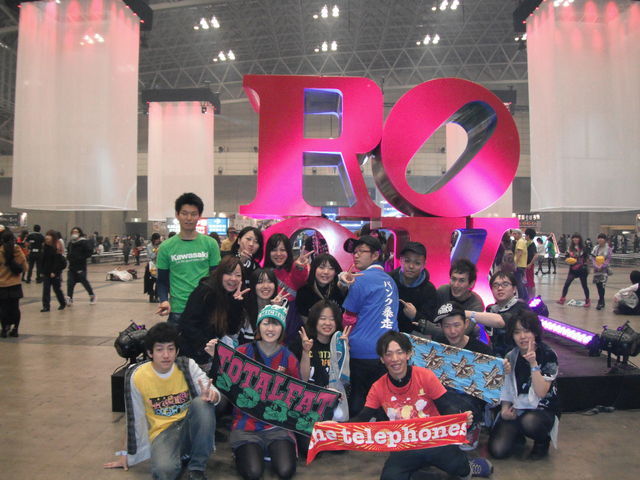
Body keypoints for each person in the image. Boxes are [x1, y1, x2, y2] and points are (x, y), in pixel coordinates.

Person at [332, 331, 492, 479]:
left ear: (408, 354)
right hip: (404, 447)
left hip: (435, 441)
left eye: (399, 352)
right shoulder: (378, 387)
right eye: (388, 354)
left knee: (461, 470)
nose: (395, 359)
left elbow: (446, 406)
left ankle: (467, 465)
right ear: (382, 359)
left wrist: (460, 417)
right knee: (389, 477)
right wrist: (335, 428)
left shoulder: (425, 376)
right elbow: (362, 418)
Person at [104, 322, 219, 480]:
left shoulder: (187, 365)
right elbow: (134, 417)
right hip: (163, 433)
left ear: (177, 351)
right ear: (150, 352)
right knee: (164, 472)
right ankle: (182, 454)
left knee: (203, 403)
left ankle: (197, 469)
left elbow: (212, 391)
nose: (166, 355)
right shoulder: (137, 376)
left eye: (170, 349)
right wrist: (126, 453)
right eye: (159, 349)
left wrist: (213, 396)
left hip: (188, 425)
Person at [206, 305, 299, 480]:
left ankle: (269, 450)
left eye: (276, 324)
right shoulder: (242, 352)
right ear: (258, 326)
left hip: (276, 426)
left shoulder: (289, 358)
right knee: (253, 473)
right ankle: (247, 451)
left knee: (286, 471)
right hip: (246, 426)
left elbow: (299, 396)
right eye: (266, 323)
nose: (270, 328)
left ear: (282, 329)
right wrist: (216, 358)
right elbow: (226, 383)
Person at [338, 234, 399, 414]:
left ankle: (356, 431)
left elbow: (349, 317)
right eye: (355, 252)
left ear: (375, 255)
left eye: (361, 252)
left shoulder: (360, 279)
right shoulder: (391, 281)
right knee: (384, 403)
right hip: (387, 350)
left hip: (361, 350)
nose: (356, 256)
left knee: (358, 399)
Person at [488, 311, 560, 461]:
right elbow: (507, 388)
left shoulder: (548, 354)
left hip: (541, 408)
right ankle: (517, 434)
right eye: (517, 332)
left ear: (535, 332)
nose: (522, 336)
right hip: (517, 408)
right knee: (498, 450)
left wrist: (533, 364)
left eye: (527, 331)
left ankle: (542, 441)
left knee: (529, 422)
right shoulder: (511, 355)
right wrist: (504, 409)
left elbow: (541, 392)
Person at [290, 299, 351, 455]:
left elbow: (344, 382)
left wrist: (345, 352)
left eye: (332, 319)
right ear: (315, 320)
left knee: (340, 449)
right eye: (323, 318)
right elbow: (302, 379)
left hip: (331, 405)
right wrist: (306, 352)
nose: (327, 323)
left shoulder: (339, 344)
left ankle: (325, 430)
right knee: (309, 450)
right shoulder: (302, 342)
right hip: (305, 405)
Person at [434, 302, 494, 450]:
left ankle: (472, 427)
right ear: (441, 327)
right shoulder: (435, 347)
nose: (452, 331)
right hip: (443, 397)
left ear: (466, 324)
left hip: (470, 402)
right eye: (447, 326)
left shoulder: (481, 350)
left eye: (456, 325)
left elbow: (490, 388)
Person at [157, 193, 222, 325]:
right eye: (184, 213)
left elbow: (216, 277)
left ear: (199, 216)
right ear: (177, 215)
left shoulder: (210, 244)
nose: (189, 218)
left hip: (204, 309)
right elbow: (162, 280)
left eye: (193, 214)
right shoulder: (166, 247)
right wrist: (164, 300)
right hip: (178, 311)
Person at [178, 256, 248, 367]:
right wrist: (206, 348)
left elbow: (231, 329)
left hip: (210, 354)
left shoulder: (233, 295)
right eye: (228, 273)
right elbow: (187, 324)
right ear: (220, 274)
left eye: (238, 275)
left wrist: (236, 304)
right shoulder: (205, 291)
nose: (233, 278)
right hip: (192, 356)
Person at [263, 233, 311, 341]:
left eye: (283, 250)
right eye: (274, 250)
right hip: (268, 322)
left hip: (291, 322)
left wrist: (299, 267)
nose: (278, 254)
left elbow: (301, 280)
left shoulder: (294, 268)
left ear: (288, 251)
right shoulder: (262, 273)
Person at [388, 241, 438, 334]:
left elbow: (430, 324)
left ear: (424, 265)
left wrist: (415, 316)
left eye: (417, 263)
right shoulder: (388, 281)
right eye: (407, 261)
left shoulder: (429, 290)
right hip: (387, 333)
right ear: (400, 260)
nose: (411, 266)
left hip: (414, 337)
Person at [480, 271, 532, 357]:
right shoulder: (491, 309)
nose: (500, 288)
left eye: (505, 284)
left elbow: (503, 319)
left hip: (520, 356)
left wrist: (470, 314)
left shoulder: (522, 308)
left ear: (514, 289)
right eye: (495, 285)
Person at [295, 253, 345, 323]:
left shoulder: (340, 291)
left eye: (331, 268)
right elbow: (304, 321)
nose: (326, 272)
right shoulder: (303, 292)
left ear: (335, 272)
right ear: (314, 269)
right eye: (321, 267)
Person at [244, 268, 287, 344]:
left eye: (270, 281)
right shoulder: (245, 306)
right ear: (253, 285)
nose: (266, 286)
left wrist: (274, 309)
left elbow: (276, 337)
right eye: (260, 282)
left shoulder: (283, 305)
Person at [436, 259, 485, 324]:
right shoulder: (442, 291)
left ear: (471, 284)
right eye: (453, 279)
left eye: (461, 281)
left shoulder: (476, 304)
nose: (456, 285)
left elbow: (465, 329)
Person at [0, 231, 28, 338]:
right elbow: (25, 267)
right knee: (15, 308)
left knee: (3, 308)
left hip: (2, 284)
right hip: (15, 284)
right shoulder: (17, 250)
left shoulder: (0, 251)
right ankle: (15, 329)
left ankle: (4, 329)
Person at [557, 233, 590, 307]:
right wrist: (568, 260)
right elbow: (566, 256)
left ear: (580, 239)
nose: (575, 239)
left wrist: (586, 265)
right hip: (573, 269)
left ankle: (587, 300)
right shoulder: (570, 248)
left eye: (577, 238)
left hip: (582, 270)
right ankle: (562, 299)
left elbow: (587, 258)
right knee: (567, 284)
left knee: (584, 285)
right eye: (574, 238)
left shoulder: (583, 248)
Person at [66, 226, 97, 306]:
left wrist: (81, 257)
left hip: (81, 267)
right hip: (72, 267)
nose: (74, 233)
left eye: (76, 232)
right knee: (70, 282)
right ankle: (69, 298)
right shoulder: (71, 243)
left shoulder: (83, 242)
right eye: (73, 232)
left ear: (79, 233)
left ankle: (92, 296)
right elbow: (68, 252)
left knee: (84, 281)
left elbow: (89, 252)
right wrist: (68, 257)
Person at [40, 230, 67, 312]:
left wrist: (54, 272)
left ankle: (62, 303)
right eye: (47, 235)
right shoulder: (44, 248)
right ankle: (46, 306)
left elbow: (57, 261)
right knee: (46, 289)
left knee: (57, 289)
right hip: (46, 272)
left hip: (55, 272)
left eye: (49, 235)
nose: (47, 237)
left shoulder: (56, 248)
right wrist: (41, 271)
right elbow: (42, 260)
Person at [591, 233, 612, 311]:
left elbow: (608, 259)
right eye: (599, 238)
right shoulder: (595, 248)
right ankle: (602, 300)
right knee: (598, 285)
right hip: (597, 270)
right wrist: (596, 266)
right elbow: (593, 258)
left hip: (604, 270)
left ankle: (600, 301)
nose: (600, 239)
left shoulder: (608, 249)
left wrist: (602, 266)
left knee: (602, 285)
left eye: (602, 238)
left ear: (605, 240)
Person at [144, 233, 162, 303]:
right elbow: (151, 256)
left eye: (159, 239)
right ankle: (151, 296)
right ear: (153, 239)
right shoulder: (149, 246)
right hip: (152, 265)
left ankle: (157, 296)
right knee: (151, 281)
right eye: (157, 239)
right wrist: (157, 251)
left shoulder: (161, 245)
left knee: (158, 281)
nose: (158, 241)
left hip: (159, 265)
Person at [513, 229, 528, 301]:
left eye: (515, 234)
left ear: (519, 234)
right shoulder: (521, 241)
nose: (513, 235)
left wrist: (515, 263)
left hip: (519, 265)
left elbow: (519, 253)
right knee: (520, 282)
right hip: (521, 264)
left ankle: (521, 297)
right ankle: (525, 297)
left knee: (518, 282)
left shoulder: (520, 242)